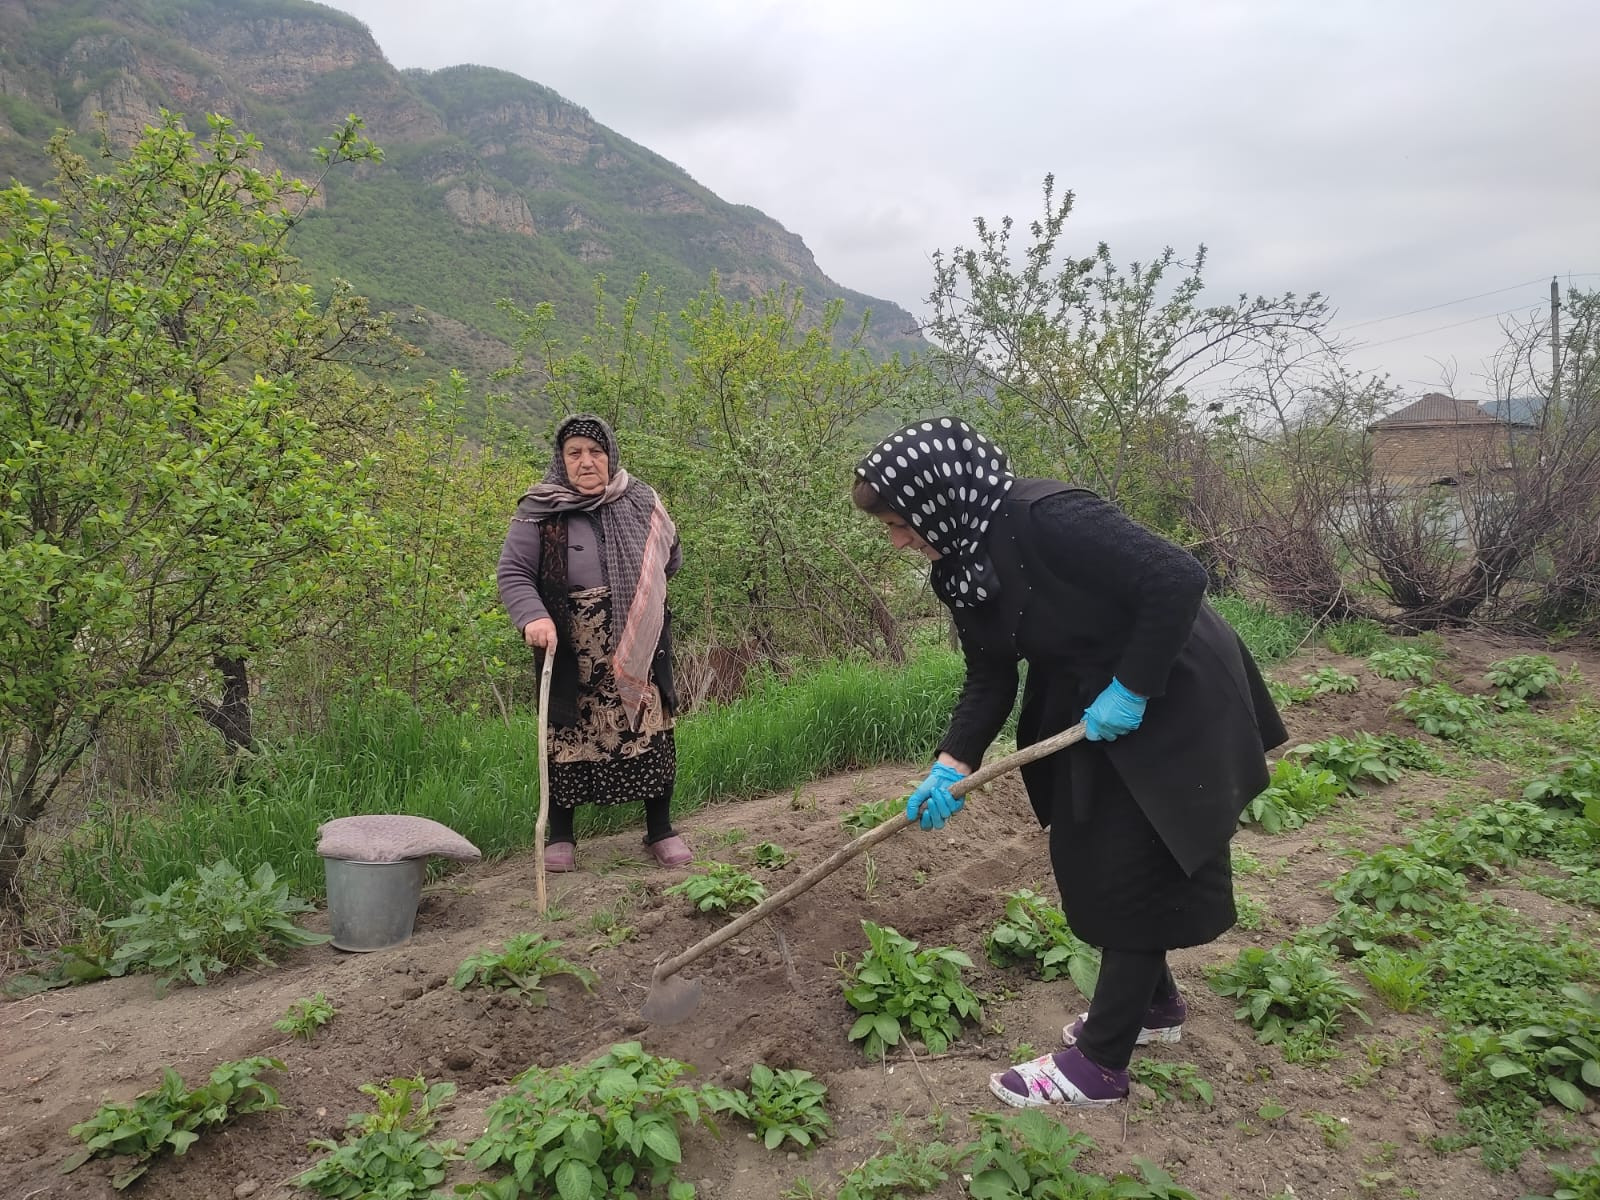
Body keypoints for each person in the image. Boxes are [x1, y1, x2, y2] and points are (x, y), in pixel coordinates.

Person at [852, 417, 1286, 1108]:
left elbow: (1177, 577)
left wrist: (1134, 686)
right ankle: (1155, 1005)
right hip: (1088, 689)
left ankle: (1100, 1065)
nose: (898, 539)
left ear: (937, 496)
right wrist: (951, 762)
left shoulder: (1048, 516)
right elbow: (991, 676)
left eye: (900, 523)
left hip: (1171, 681)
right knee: (1091, 846)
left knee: (1139, 853)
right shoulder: (960, 565)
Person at [497, 413, 692, 871]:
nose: (587, 461)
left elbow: (671, 556)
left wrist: (639, 597)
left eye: (595, 451)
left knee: (649, 730)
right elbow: (514, 574)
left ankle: (660, 829)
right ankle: (562, 835)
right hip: (569, 646)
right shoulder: (540, 509)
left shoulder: (642, 500)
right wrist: (534, 617)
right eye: (575, 453)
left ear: (610, 455)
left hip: (637, 641)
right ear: (561, 460)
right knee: (568, 734)